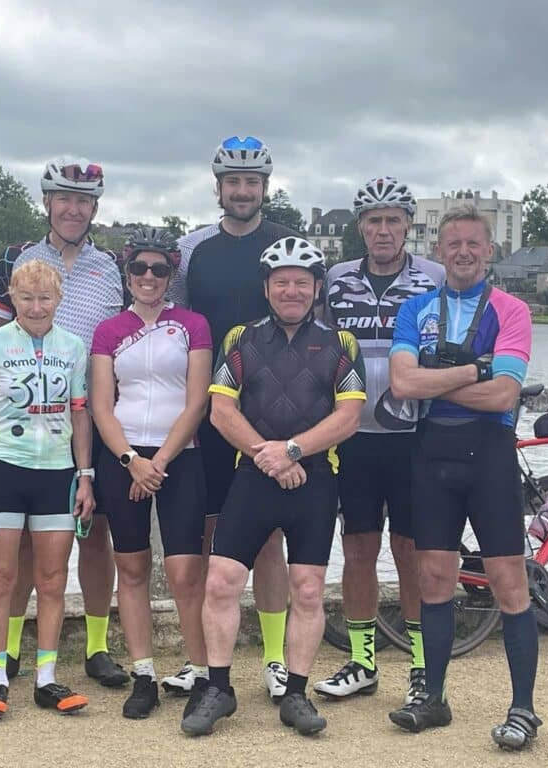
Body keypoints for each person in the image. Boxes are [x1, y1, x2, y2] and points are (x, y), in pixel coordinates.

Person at [180, 237, 365, 737]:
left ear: (317, 288)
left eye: (301, 283)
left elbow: (348, 417)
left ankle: (297, 694)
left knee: (306, 591)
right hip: (253, 476)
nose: (291, 290)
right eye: (281, 281)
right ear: (266, 287)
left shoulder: (340, 343)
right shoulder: (240, 339)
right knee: (220, 581)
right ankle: (218, 688)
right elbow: (221, 410)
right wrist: (270, 454)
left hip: (315, 479)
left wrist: (293, 451)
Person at [387, 203, 540, 750]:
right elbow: (401, 386)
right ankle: (434, 699)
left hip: (490, 451)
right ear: (439, 250)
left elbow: (504, 393)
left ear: (489, 250)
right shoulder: (416, 309)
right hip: (432, 453)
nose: (464, 252)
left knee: (508, 581)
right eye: (454, 244)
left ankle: (523, 708)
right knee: (433, 578)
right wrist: (476, 368)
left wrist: (435, 379)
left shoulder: (511, 310)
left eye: (474, 243)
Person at [0, 159, 127, 690]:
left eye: (83, 200)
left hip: (90, 416)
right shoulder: (16, 260)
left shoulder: (111, 267)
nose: (72, 208)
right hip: (23, 429)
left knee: (96, 533)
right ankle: (10, 650)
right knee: (14, 548)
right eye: (63, 198)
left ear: (94, 208)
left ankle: (98, 647)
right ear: (47, 203)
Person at [162, 136, 300, 702]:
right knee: (206, 535)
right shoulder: (197, 252)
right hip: (211, 408)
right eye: (233, 182)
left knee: (268, 543)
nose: (242, 191)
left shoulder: (285, 245)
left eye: (252, 182)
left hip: (273, 409)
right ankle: (204, 662)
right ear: (218, 187)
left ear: (265, 187)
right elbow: (178, 322)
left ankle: (273, 659)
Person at [317, 177, 444, 704]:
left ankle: (419, 665)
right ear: (361, 227)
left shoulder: (434, 278)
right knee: (358, 549)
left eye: (394, 220)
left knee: (411, 551)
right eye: (374, 220)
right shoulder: (335, 277)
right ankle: (363, 660)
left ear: (408, 225)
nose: (384, 230)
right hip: (354, 436)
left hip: (415, 435)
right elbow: (321, 349)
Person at [0, 259, 94, 721]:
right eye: (27, 298)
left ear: (59, 300)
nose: (37, 307)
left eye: (45, 298)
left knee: (53, 580)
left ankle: (46, 678)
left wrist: (86, 475)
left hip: (57, 472)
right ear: (12, 298)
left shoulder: (74, 347)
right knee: (0, 578)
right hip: (4, 470)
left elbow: (80, 414)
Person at [90, 228, 212, 719]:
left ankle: (204, 673)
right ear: (127, 274)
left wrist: (158, 461)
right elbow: (102, 405)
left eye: (159, 270)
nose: (148, 277)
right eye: (139, 268)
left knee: (186, 572)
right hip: (124, 458)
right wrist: (130, 461)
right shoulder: (109, 329)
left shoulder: (192, 324)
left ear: (170, 276)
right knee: (133, 567)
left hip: (178, 455)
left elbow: (198, 399)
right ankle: (143, 674)